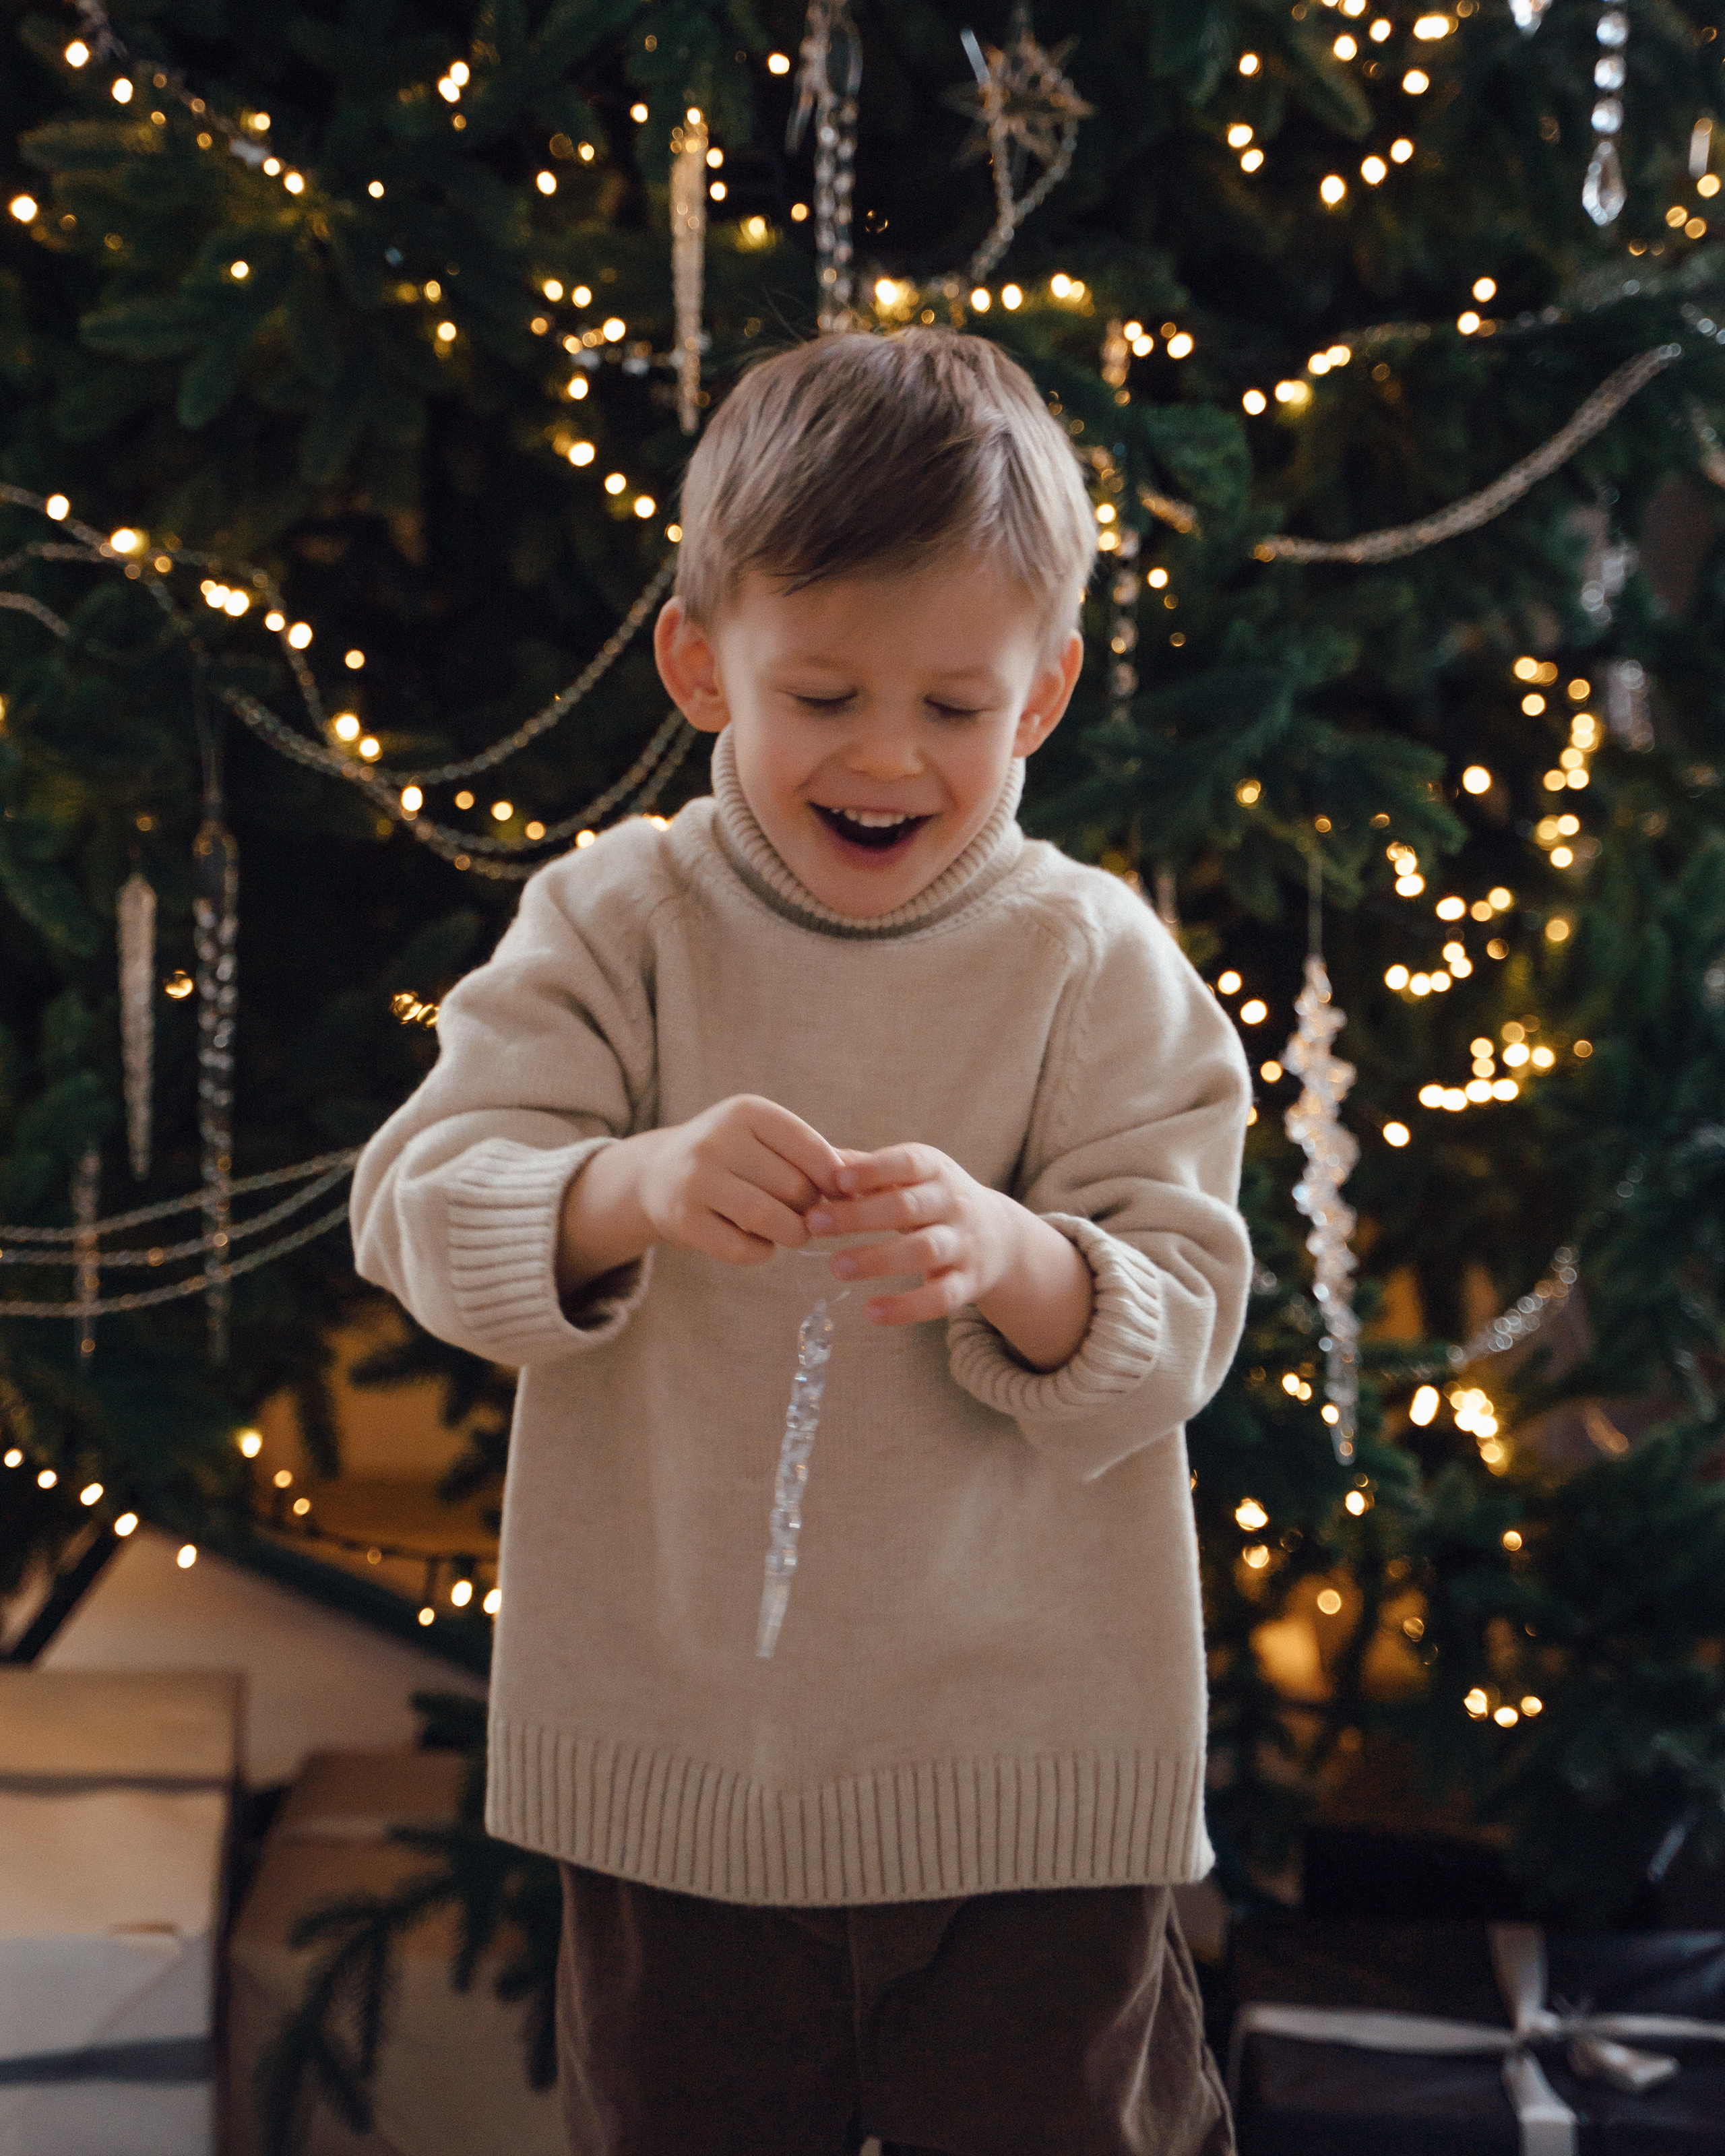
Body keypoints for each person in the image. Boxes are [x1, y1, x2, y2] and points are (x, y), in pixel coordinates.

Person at [351, 327, 1252, 2156]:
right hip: (677, 1794)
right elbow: (417, 1207)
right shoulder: (617, 922)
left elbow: (1184, 1322)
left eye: (955, 708)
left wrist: (1017, 1259)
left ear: (1046, 695)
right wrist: (626, 1186)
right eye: (824, 694)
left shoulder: (1093, 961)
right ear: (701, 663)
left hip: (1033, 1800)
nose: (888, 757)